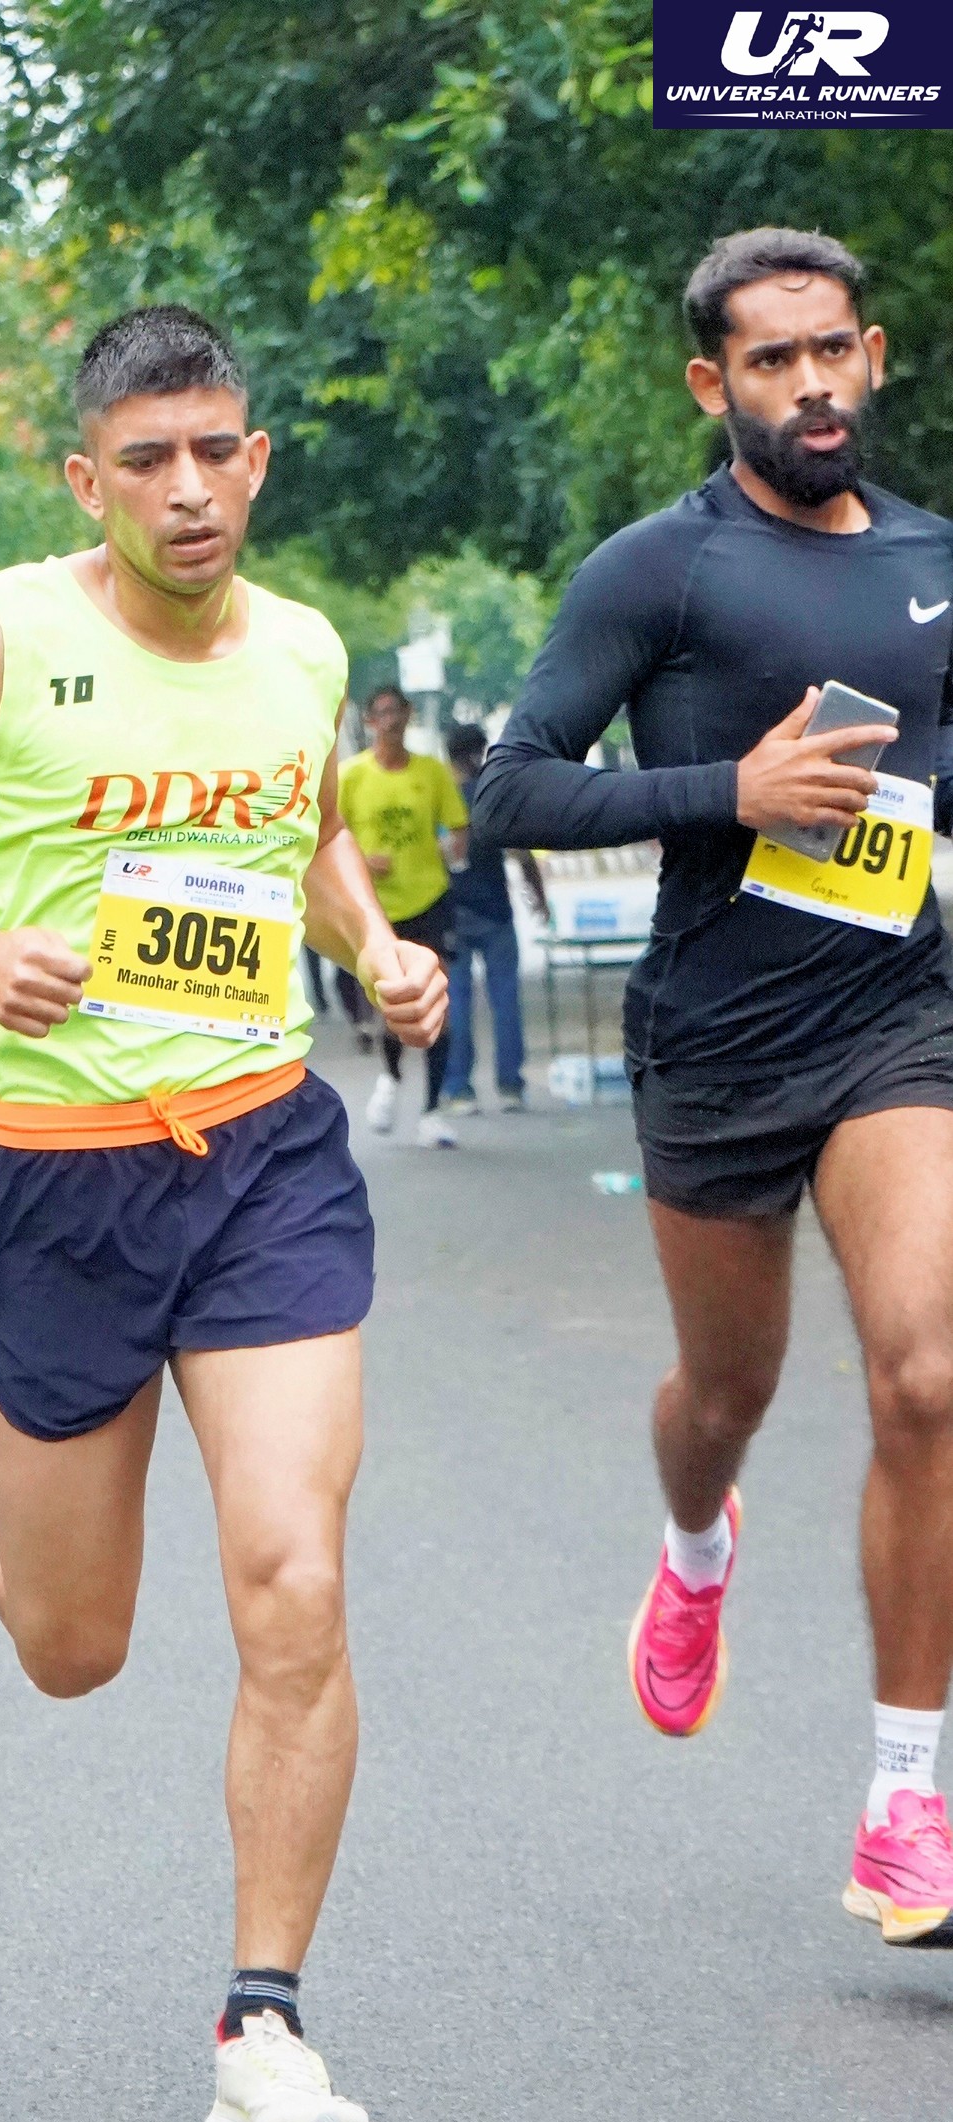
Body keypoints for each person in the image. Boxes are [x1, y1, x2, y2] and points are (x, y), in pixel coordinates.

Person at [0, 304, 447, 2122]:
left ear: (256, 460)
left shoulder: (303, 648)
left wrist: (374, 945)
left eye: (216, 451)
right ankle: (21, 1505)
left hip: (266, 1157)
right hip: (59, 1181)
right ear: (87, 479)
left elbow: (300, 825)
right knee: (74, 1647)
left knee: (294, 1579)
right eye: (147, 461)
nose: (188, 489)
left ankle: (264, 2029)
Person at [476, 227, 953, 1946]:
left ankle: (909, 1799)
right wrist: (727, 793)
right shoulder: (658, 572)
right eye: (771, 361)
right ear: (713, 383)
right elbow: (512, 790)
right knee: (724, 1392)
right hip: (718, 1040)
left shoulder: (935, 559)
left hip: (899, 1017)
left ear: (873, 354)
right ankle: (694, 1548)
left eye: (831, 351)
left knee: (929, 1374)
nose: (810, 386)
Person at [337, 685, 465, 1145]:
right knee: (394, 1004)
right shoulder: (352, 776)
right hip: (378, 909)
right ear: (370, 722)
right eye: (382, 713)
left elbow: (458, 828)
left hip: (429, 899)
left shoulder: (431, 772)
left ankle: (432, 1110)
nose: (391, 721)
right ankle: (391, 1076)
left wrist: (453, 849)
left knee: (435, 1002)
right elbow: (330, 838)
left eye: (398, 712)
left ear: (409, 716)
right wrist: (362, 861)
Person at [442, 721, 547, 1113]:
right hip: (496, 911)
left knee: (457, 1001)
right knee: (505, 1000)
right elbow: (521, 853)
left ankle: (459, 1087)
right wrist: (539, 898)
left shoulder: (443, 797)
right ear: (479, 752)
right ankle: (510, 1085)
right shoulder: (492, 797)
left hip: (452, 911)